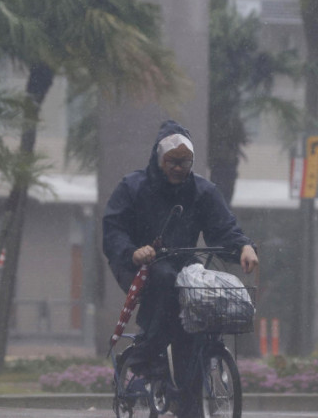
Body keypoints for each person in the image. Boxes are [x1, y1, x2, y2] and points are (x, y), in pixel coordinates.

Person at [103, 120, 259, 417]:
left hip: (184, 263)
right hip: (139, 265)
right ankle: (148, 352)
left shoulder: (203, 191)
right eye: (172, 161)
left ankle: (187, 398)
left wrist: (244, 247)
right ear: (158, 159)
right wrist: (133, 252)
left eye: (185, 162)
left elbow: (224, 227)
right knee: (164, 281)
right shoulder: (132, 187)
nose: (178, 167)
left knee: (197, 304)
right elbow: (113, 229)